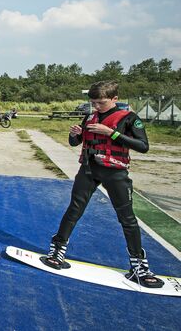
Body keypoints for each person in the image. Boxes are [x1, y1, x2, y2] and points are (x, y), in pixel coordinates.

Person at [42, 81, 163, 288]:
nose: (96, 106)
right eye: (93, 102)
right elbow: (75, 143)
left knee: (127, 218)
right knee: (74, 209)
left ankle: (138, 265)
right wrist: (74, 135)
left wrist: (112, 133)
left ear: (115, 99)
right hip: (89, 169)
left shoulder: (129, 118)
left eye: (101, 102)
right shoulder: (90, 117)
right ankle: (58, 249)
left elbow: (143, 146)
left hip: (115, 172)